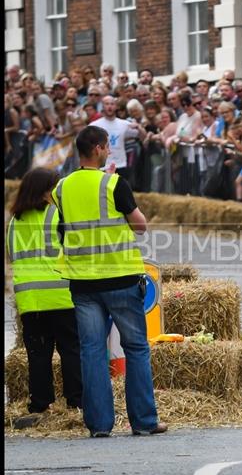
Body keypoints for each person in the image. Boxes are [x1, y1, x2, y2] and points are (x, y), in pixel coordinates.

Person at [52, 125, 166, 438]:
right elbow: (139, 225)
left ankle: (99, 425)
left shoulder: (61, 187)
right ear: (100, 148)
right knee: (136, 348)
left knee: (91, 352)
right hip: (120, 278)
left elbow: (69, 222)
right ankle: (143, 421)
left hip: (83, 282)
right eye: (107, 146)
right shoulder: (114, 183)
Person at [7, 168, 83, 429]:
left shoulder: (14, 222)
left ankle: (39, 405)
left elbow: (12, 256)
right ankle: (76, 402)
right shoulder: (57, 214)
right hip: (61, 295)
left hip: (31, 300)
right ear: (46, 189)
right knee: (71, 350)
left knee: (38, 355)